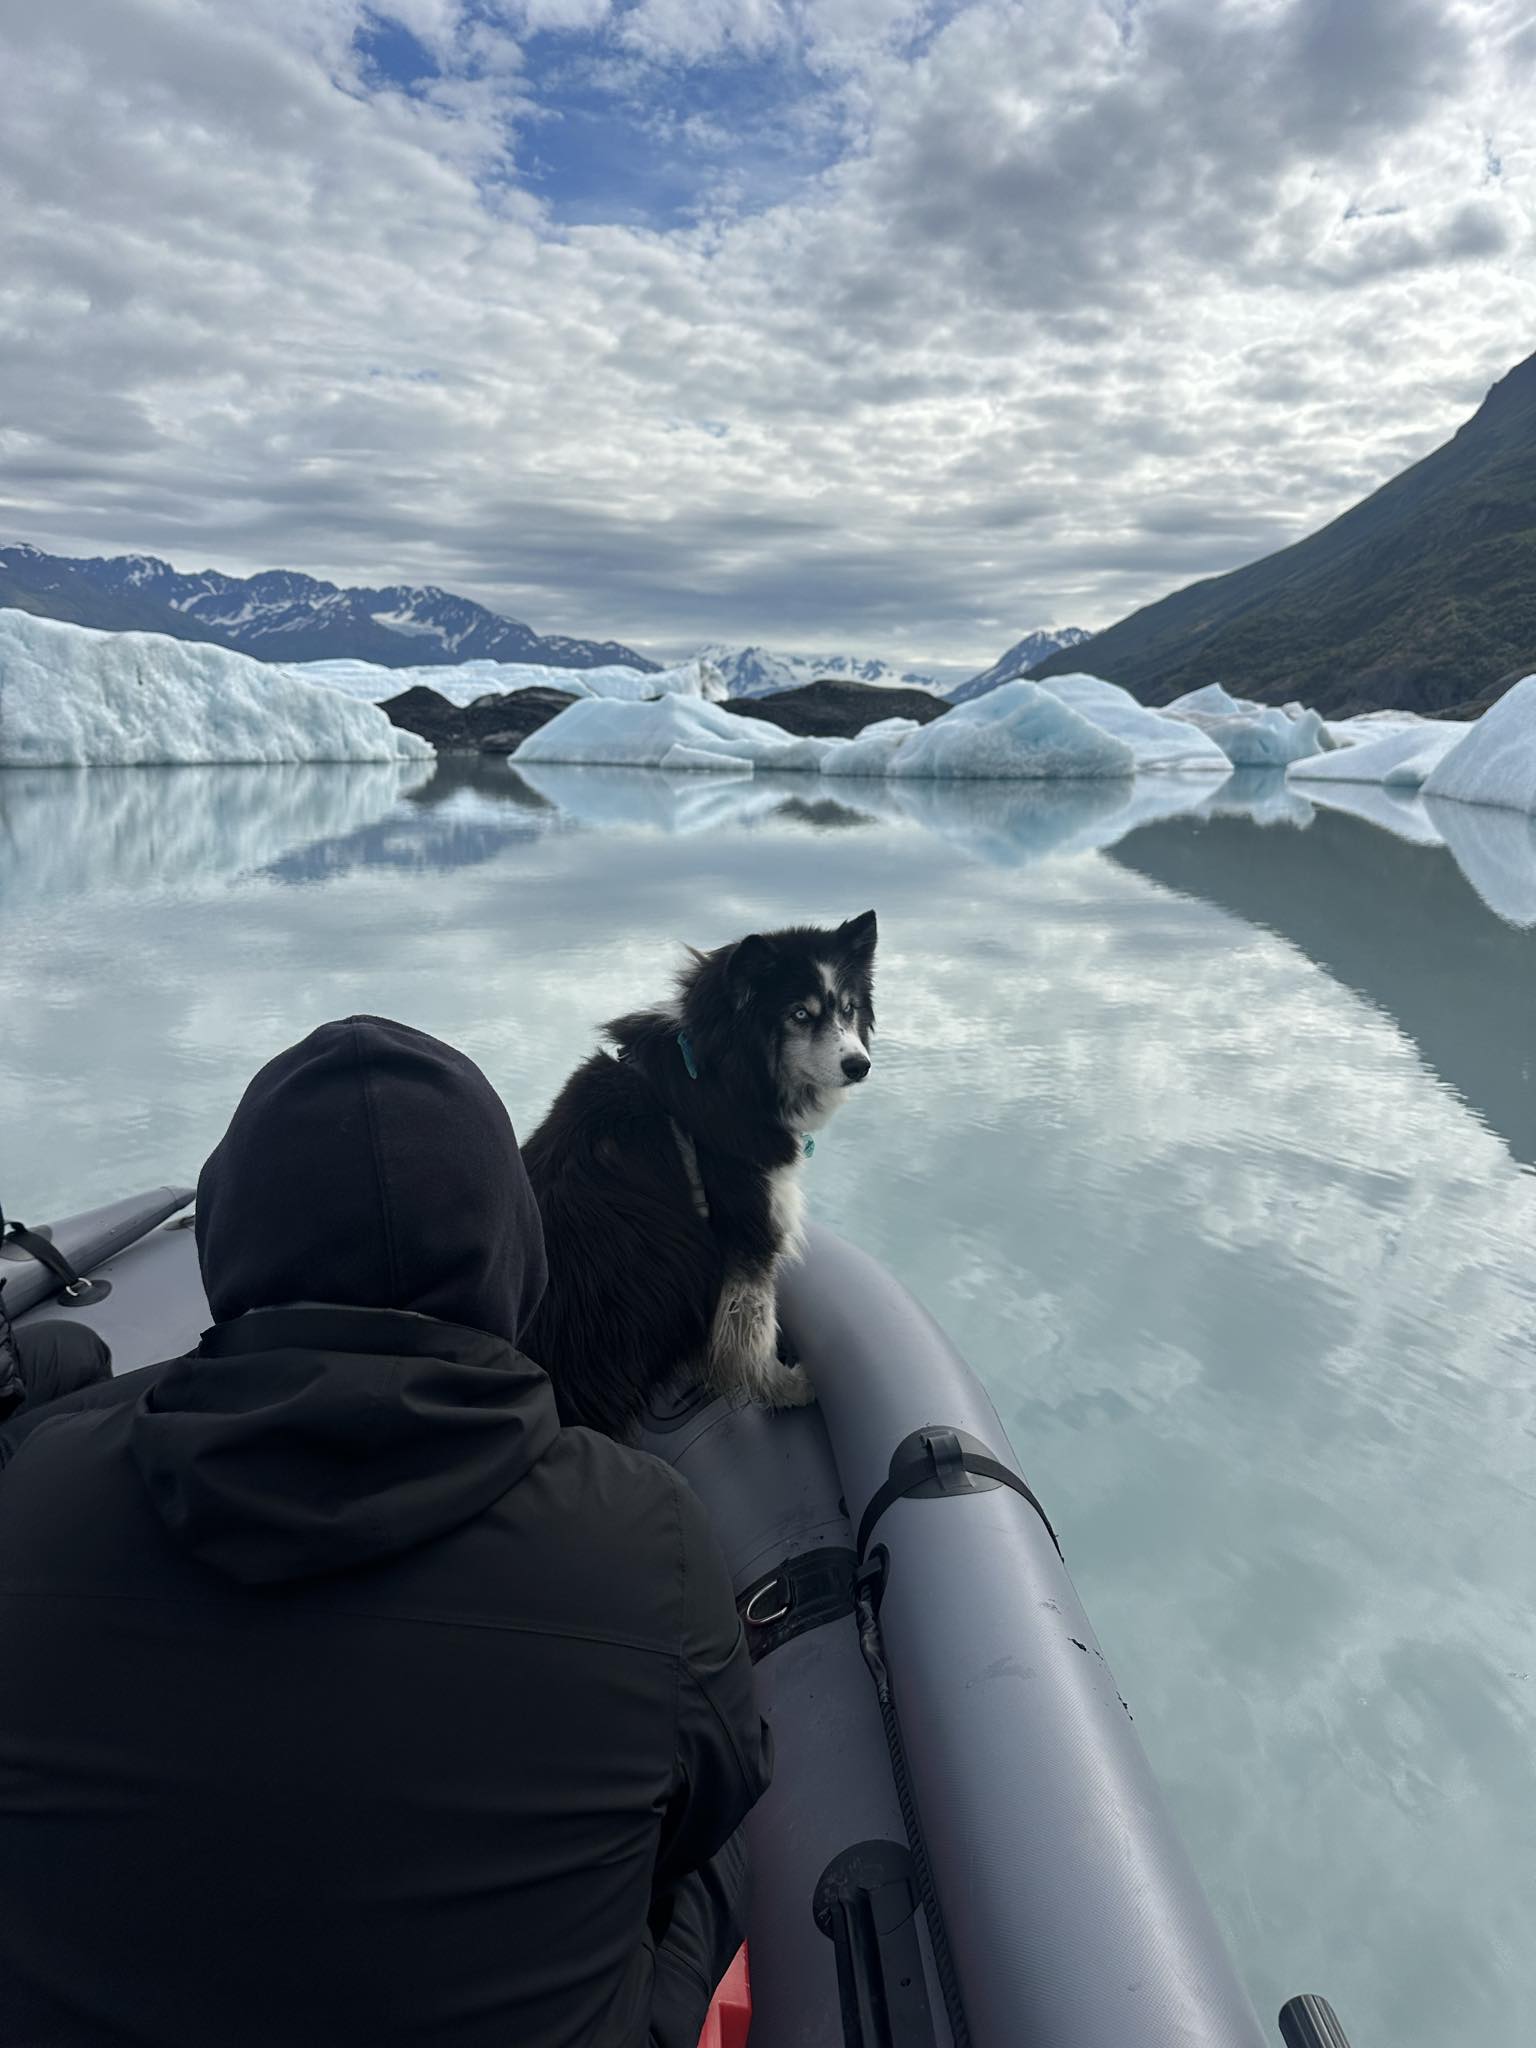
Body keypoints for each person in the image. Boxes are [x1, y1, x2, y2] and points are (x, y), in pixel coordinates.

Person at [0, 1017, 770, 2048]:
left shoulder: (38, 1494)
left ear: (227, 1239)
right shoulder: (644, 1538)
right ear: (520, 1251)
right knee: (720, 1837)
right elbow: (716, 1797)